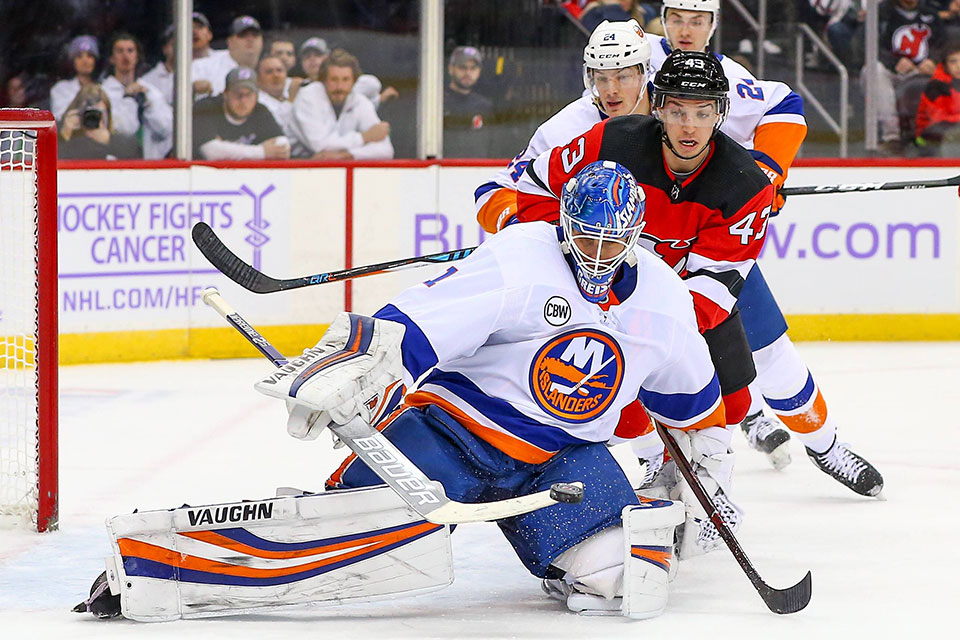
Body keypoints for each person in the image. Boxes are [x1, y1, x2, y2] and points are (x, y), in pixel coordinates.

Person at [320, 161, 736, 615]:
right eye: (585, 237)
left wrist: (710, 475)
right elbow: (419, 321)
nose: (597, 253)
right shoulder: (519, 255)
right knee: (353, 543)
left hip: (562, 464)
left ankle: (566, 555)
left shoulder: (664, 299)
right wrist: (345, 370)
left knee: (629, 574)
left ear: (635, 235)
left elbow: (692, 402)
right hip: (454, 433)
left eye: (611, 240)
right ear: (564, 222)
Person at [516, 50, 884, 498]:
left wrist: (768, 170)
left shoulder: (742, 183)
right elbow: (531, 185)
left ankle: (825, 446)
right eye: (676, 110)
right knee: (608, 375)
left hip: (700, 278)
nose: (688, 126)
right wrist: (562, 241)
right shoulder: (608, 139)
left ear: (720, 114)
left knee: (764, 369)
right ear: (656, 106)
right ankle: (658, 460)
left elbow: (712, 295)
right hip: (623, 280)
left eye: (701, 112)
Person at [649, 0, 880, 497]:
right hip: (637, 239)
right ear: (661, 18)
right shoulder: (632, 56)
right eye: (676, 18)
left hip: (709, 239)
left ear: (714, 24)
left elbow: (783, 105)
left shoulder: (727, 74)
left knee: (770, 351)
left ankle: (824, 443)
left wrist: (766, 174)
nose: (686, 30)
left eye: (698, 20)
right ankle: (678, 458)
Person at [475, 20, 651, 233]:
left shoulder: (677, 114)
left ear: (645, 73)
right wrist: (521, 225)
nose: (610, 90)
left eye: (622, 77)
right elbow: (492, 193)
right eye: (602, 79)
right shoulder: (565, 128)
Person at [290, 48, 393, 160]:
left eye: (345, 80)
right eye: (334, 80)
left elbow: (386, 150)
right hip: (292, 165)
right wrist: (364, 137)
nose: (339, 87)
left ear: (354, 81)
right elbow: (320, 145)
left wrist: (346, 155)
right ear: (323, 80)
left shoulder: (360, 101)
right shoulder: (308, 96)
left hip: (335, 166)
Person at [872, 0, 944, 151]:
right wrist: (894, 61)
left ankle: (931, 139)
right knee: (874, 71)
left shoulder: (931, 12)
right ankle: (891, 138)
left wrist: (933, 60)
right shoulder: (881, 13)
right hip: (890, 71)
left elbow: (942, 43)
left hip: (922, 71)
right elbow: (867, 45)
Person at [101, 32, 173, 159]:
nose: (125, 55)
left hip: (151, 165)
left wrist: (147, 103)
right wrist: (128, 98)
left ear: (137, 57)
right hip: (117, 164)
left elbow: (166, 128)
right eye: (120, 51)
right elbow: (122, 131)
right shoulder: (103, 93)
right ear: (112, 58)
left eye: (130, 51)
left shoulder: (150, 90)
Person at [192, 66, 290, 161]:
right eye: (237, 94)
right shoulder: (207, 108)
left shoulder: (260, 110)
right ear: (225, 94)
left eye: (248, 94)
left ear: (256, 96)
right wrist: (262, 152)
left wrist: (226, 150)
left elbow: (283, 147)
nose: (243, 100)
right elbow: (211, 151)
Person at [58, 83, 141, 160]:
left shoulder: (123, 144)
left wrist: (109, 141)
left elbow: (135, 162)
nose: (93, 118)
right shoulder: (62, 136)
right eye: (88, 113)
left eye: (99, 113)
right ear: (78, 113)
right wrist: (65, 136)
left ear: (108, 115)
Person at [192, 15, 264, 98]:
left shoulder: (270, 69)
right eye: (243, 35)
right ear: (230, 42)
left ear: (262, 41)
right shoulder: (202, 67)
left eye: (255, 35)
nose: (250, 39)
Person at [443, 46, 495, 158]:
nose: (468, 72)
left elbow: (491, 147)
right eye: (462, 67)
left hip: (478, 171)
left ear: (479, 71)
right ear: (451, 69)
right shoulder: (438, 103)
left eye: (473, 68)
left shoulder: (484, 106)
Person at [916, 40, 960, 151]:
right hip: (931, 139)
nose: (959, 66)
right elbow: (939, 119)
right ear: (945, 65)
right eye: (953, 62)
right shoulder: (936, 86)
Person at [257, 54, 301, 152]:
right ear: (258, 79)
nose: (276, 75)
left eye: (279, 70)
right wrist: (291, 100)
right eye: (269, 72)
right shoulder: (257, 101)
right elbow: (283, 130)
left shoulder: (290, 92)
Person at [50, 35, 100, 122]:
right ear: (73, 61)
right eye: (79, 56)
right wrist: (81, 96)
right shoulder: (61, 89)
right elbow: (59, 119)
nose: (85, 61)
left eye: (89, 56)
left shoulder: (105, 88)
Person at [141, 24, 175, 106]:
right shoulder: (147, 80)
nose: (178, 48)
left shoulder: (196, 72)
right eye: (174, 44)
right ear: (164, 49)